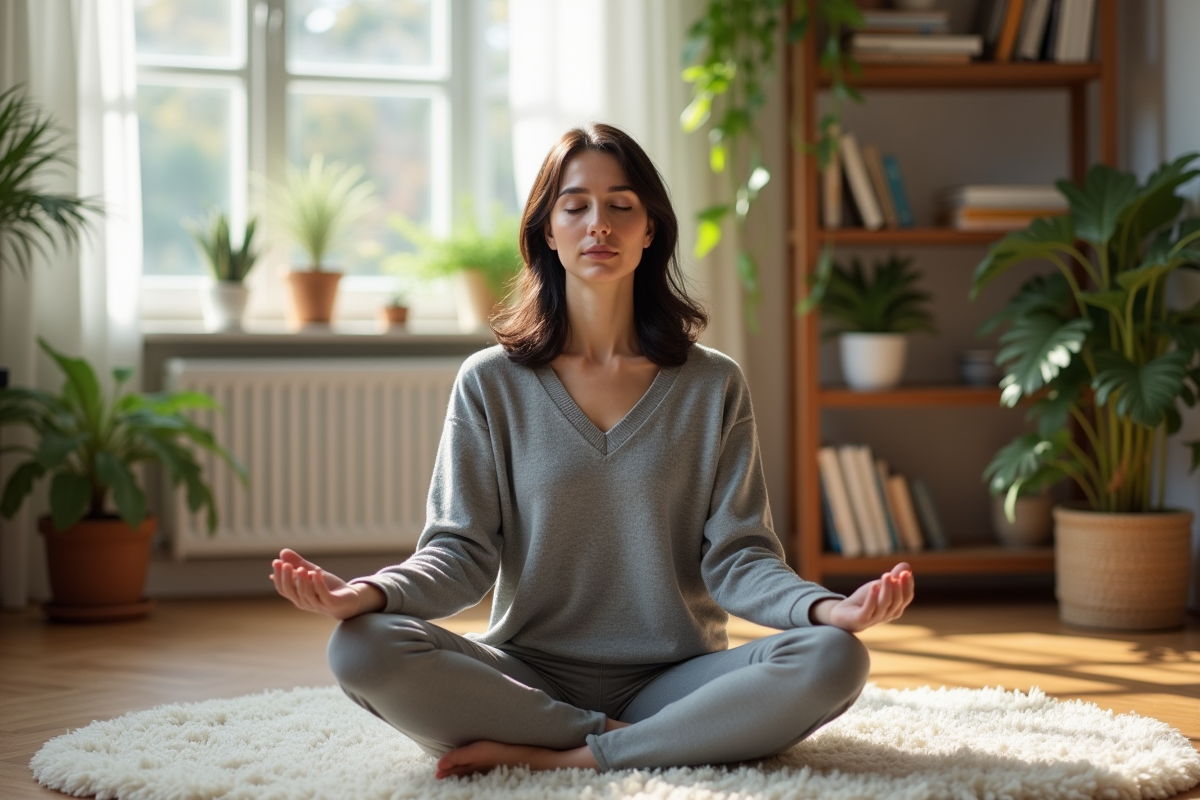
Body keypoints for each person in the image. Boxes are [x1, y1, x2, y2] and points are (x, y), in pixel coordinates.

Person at [270, 122, 915, 780]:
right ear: (547, 231)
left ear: (650, 230)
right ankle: (629, 740)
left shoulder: (712, 383)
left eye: (621, 206)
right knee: (359, 648)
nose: (598, 225)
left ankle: (559, 755)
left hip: (675, 675)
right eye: (575, 206)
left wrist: (825, 608)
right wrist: (370, 594)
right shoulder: (490, 382)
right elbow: (459, 552)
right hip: (526, 675)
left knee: (836, 657)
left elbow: (739, 557)